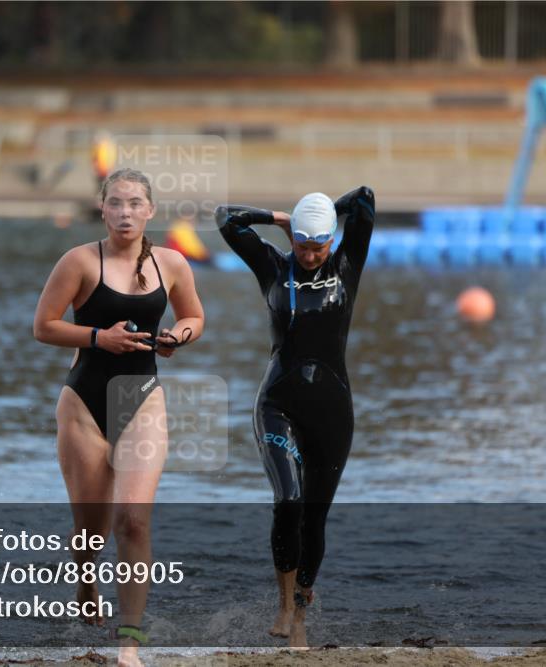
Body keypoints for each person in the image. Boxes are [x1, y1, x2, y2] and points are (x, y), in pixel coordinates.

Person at [34, 167, 205, 667]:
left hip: (143, 399)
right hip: (83, 405)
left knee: (133, 521)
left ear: (150, 210)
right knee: (92, 531)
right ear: (103, 209)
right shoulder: (80, 261)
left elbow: (195, 317)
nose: (125, 212)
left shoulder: (172, 264)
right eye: (116, 203)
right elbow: (43, 327)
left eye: (135, 203)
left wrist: (178, 337)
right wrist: (97, 338)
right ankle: (87, 581)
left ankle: (129, 642)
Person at [215, 186, 375, 648]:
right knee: (289, 499)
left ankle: (301, 613)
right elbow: (227, 219)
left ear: (330, 240)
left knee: (315, 517)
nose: (308, 255)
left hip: (332, 409)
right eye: (302, 245)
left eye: (317, 245)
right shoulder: (272, 265)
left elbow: (364, 198)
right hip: (278, 404)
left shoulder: (347, 265)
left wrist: (324, 209)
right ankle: (284, 605)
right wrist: (281, 219)